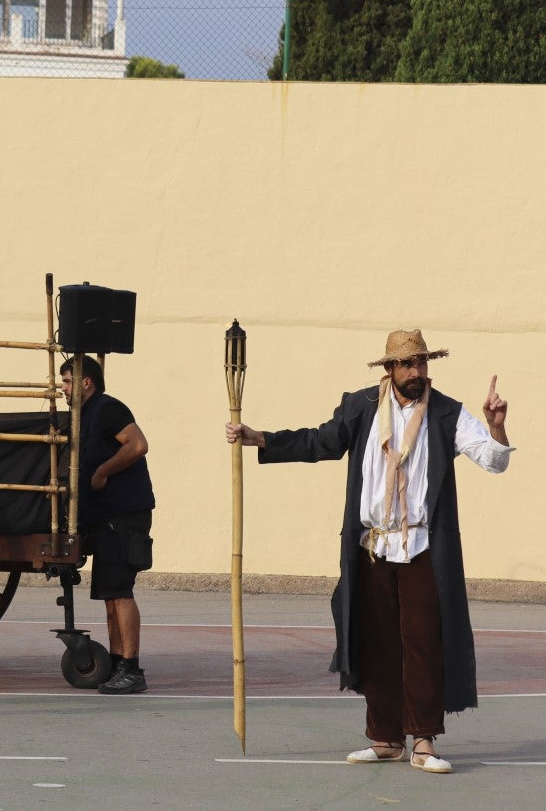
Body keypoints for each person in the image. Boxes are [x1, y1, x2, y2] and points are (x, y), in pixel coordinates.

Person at [225, 329, 512, 773]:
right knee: (376, 643)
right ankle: (385, 739)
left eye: (422, 363)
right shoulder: (361, 407)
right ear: (390, 369)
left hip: (421, 547)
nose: (417, 372)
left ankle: (423, 742)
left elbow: (493, 460)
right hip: (372, 546)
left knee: (423, 644)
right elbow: (321, 441)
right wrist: (260, 437)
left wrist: (496, 425)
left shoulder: (446, 414)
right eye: (408, 364)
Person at [60, 355, 156, 694]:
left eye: (68, 382)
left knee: (120, 591)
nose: (64, 389)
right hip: (106, 517)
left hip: (124, 513)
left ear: (87, 382)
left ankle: (132, 669)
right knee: (110, 596)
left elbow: (138, 444)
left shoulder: (108, 408)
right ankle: (117, 664)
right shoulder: (84, 416)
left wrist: (103, 472)